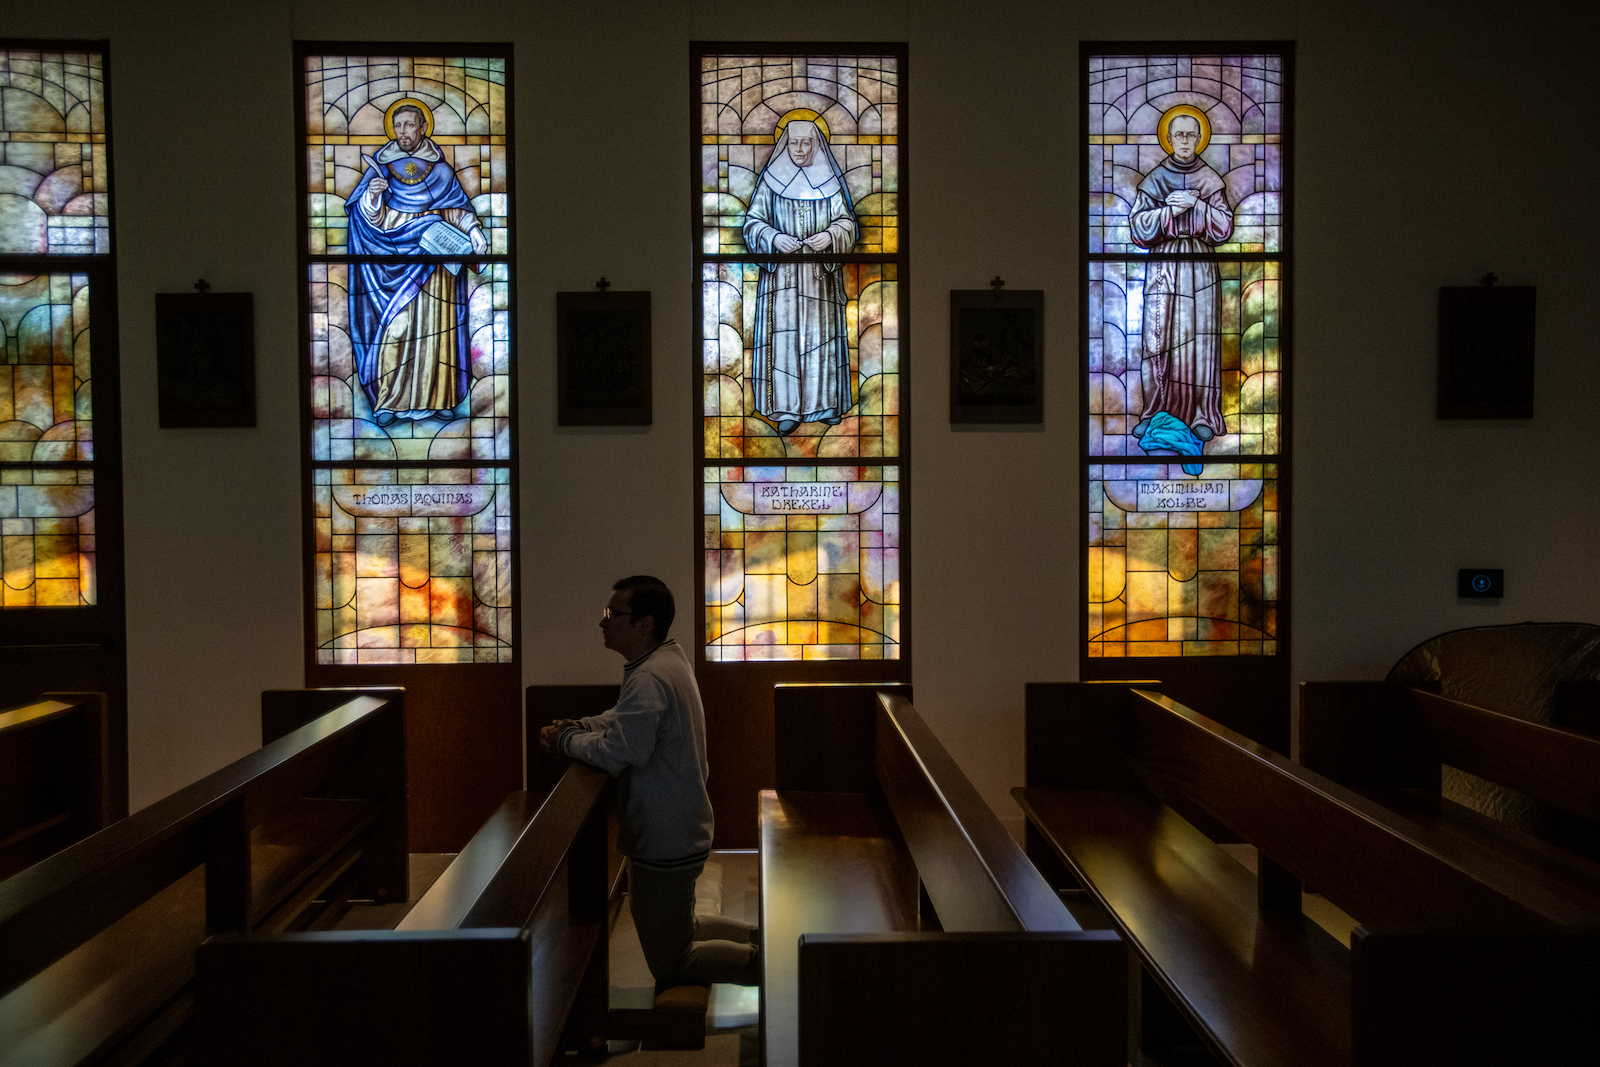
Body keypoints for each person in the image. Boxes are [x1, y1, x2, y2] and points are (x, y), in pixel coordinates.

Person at [540, 576, 758, 987]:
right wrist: (581, 725)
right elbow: (628, 717)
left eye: (613, 614)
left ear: (645, 624)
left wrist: (567, 739)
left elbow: (621, 751)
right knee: (678, 923)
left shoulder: (649, 675)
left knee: (672, 961)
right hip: (677, 826)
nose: (603, 622)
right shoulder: (663, 661)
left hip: (665, 835)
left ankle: (781, 967)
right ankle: (766, 944)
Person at [345, 102, 489, 427]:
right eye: (399, 126)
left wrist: (475, 231)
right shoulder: (379, 169)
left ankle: (438, 398)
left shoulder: (441, 171)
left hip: (435, 265)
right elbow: (366, 218)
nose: (404, 133)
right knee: (396, 329)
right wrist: (372, 195)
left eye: (410, 125)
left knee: (435, 330)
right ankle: (388, 400)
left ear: (423, 127)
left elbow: (456, 209)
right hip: (393, 262)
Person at [742, 117, 858, 435]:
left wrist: (832, 236)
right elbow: (752, 223)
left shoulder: (830, 181)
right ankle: (786, 409)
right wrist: (774, 239)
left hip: (819, 281)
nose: (800, 149)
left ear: (815, 144)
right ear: (786, 144)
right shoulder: (771, 181)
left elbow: (847, 223)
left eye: (806, 143)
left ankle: (825, 405)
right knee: (785, 341)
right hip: (783, 282)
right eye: (794, 143)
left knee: (820, 339)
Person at [1129, 111, 1234, 446]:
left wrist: (1197, 205)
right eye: (1180, 135)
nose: (1186, 141)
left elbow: (1224, 227)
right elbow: (1138, 227)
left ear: (1199, 139)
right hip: (1163, 268)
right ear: (1170, 139)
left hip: (1199, 268)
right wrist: (1169, 212)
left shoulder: (1210, 179)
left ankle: (1202, 415)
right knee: (1158, 341)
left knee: (1199, 341)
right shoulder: (1155, 180)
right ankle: (1154, 412)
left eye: (1192, 135)